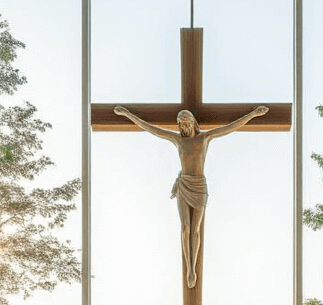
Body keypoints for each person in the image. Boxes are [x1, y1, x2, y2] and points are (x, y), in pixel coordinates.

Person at [113, 104, 269, 287]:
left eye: (185, 122)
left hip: (199, 186)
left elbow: (230, 128)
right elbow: (151, 129)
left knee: (195, 229)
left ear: (193, 122)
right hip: (184, 185)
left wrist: (253, 114)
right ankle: (189, 269)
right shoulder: (177, 140)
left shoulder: (205, 137)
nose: (183, 126)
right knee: (185, 227)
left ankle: (192, 267)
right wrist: (128, 114)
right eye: (180, 123)